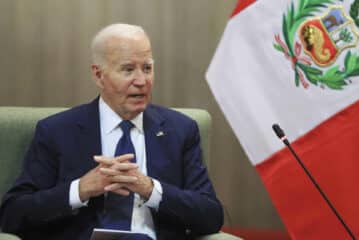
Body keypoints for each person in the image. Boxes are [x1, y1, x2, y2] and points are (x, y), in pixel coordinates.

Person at [0, 23, 223, 240]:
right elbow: (13, 213)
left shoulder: (180, 130)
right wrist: (80, 189)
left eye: (147, 68)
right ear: (98, 75)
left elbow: (211, 215)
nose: (142, 81)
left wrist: (150, 189)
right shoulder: (57, 131)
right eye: (128, 70)